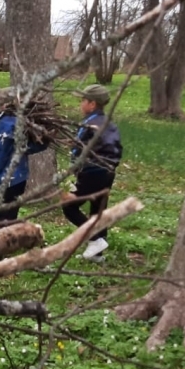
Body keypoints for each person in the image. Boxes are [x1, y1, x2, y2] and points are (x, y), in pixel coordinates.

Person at [62, 83, 122, 259]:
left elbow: (77, 149)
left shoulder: (90, 124)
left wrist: (75, 164)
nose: (81, 104)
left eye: (83, 100)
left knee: (70, 207)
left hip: (92, 171)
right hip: (108, 172)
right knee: (98, 210)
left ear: (92, 104)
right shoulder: (108, 123)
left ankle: (95, 239)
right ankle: (98, 255)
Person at [0, 85, 45, 224]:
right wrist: (44, 140)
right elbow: (28, 147)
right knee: (8, 218)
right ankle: (2, 241)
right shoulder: (11, 124)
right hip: (14, 179)